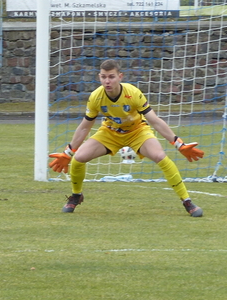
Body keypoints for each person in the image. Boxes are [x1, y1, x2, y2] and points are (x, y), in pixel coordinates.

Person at [48, 59, 204, 217]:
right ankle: (76, 196)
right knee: (79, 158)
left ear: (120, 76)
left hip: (137, 131)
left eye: (111, 76)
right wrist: (68, 152)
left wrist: (179, 144)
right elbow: (84, 126)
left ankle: (187, 201)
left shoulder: (133, 93)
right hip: (109, 133)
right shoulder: (96, 97)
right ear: (99, 77)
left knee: (160, 156)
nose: (107, 81)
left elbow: (154, 120)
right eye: (103, 77)